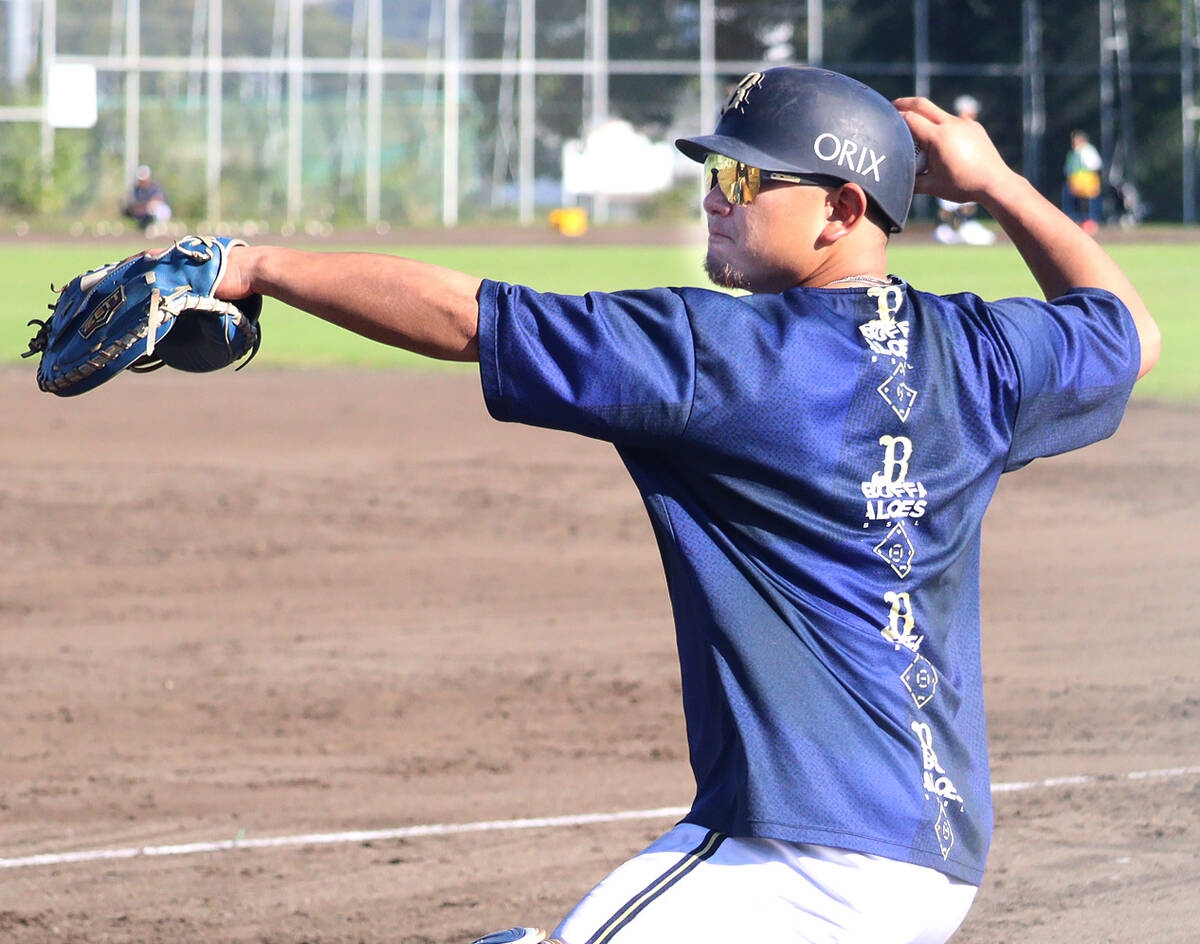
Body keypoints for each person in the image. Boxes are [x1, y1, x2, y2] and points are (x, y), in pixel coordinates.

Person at [207, 67, 1158, 943]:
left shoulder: (717, 357)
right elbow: (1131, 333)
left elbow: (471, 316)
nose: (713, 195)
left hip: (799, 856)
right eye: (714, 173)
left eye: (746, 182)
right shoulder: (982, 356)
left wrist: (259, 267)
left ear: (842, 209)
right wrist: (993, 184)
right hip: (934, 857)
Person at [933, 94, 996, 246]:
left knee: (968, 204)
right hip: (950, 175)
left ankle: (964, 229)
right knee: (949, 206)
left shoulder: (971, 129)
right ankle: (947, 231)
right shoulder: (952, 129)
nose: (974, 114)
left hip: (966, 173)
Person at [1062, 130, 1103, 234]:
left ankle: (1090, 223)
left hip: (1087, 181)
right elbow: (1069, 168)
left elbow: (1095, 165)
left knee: (1088, 203)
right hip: (1076, 182)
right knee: (1077, 203)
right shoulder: (1072, 153)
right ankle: (1079, 223)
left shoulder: (1088, 151)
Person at [122, 164, 172, 235]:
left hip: (159, 211)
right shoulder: (137, 189)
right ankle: (148, 227)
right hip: (144, 212)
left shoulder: (154, 187)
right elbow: (133, 204)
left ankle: (158, 227)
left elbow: (156, 202)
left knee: (152, 208)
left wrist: (145, 205)